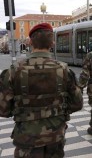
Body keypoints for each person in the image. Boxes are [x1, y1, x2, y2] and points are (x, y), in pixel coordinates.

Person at [0, 23, 83, 157]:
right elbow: (77, 103)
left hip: (26, 138)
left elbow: (3, 110)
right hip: (55, 136)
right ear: (52, 43)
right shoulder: (64, 70)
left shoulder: (13, 71)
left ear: (30, 42)